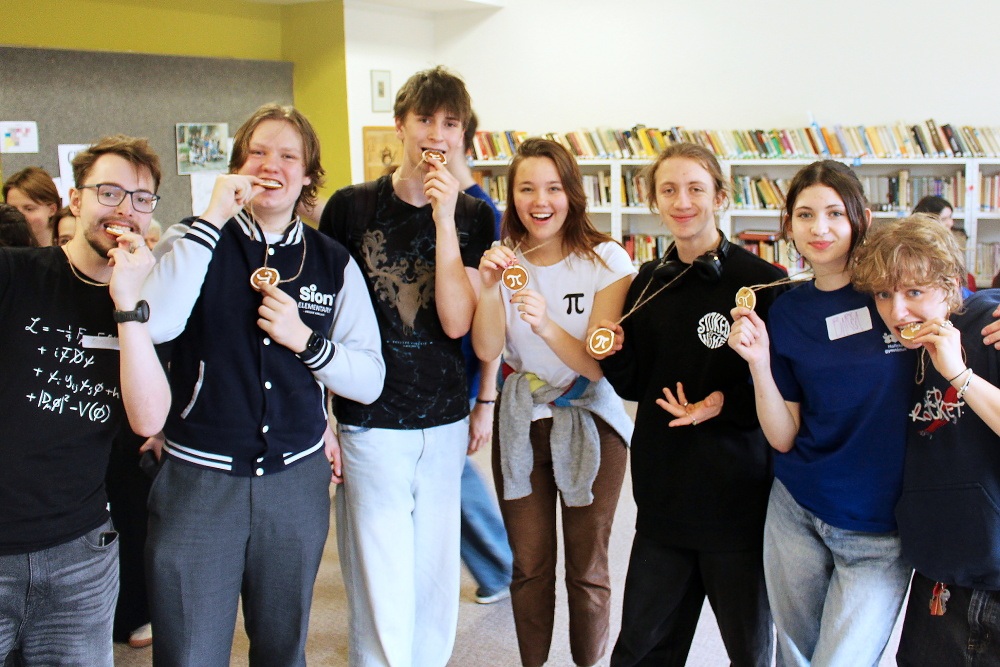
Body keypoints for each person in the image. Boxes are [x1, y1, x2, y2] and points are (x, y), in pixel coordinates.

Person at [140, 103, 385, 666]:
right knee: (189, 652)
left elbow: (369, 380)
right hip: (198, 480)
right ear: (237, 165)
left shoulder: (332, 262)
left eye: (288, 156)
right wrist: (212, 218)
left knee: (282, 649)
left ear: (308, 175)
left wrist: (308, 342)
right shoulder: (193, 237)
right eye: (258, 152)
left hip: (295, 483)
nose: (272, 165)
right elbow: (156, 324)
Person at [318, 66, 495, 666]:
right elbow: (326, 319)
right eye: (424, 120)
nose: (436, 135)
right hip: (369, 416)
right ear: (400, 125)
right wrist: (324, 420)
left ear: (463, 135)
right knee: (379, 574)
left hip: (444, 417)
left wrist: (444, 220)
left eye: (450, 123)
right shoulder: (351, 207)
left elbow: (457, 322)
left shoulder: (474, 216)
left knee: (434, 574)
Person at [599, 142, 783, 667]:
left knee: (749, 651)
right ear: (653, 201)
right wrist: (614, 353)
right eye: (669, 190)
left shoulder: (763, 282)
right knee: (640, 649)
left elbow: (782, 387)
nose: (682, 202)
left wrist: (721, 401)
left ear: (720, 196)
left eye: (696, 188)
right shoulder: (646, 283)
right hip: (665, 494)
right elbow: (636, 385)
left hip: (736, 498)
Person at [727, 160, 914, 666]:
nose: (820, 228)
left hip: (880, 529)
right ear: (788, 225)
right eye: (805, 215)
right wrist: (759, 364)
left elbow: (960, 308)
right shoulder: (786, 310)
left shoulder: (897, 294)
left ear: (862, 219)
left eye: (835, 213)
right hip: (797, 509)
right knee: (795, 657)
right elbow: (782, 436)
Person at [0, 135, 169, 666]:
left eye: (141, 198)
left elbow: (148, 418)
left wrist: (128, 303)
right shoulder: (15, 273)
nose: (125, 209)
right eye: (109, 192)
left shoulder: (147, 299)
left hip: (81, 554)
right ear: (75, 200)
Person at [473, 138, 635, 667]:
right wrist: (488, 287)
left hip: (591, 421)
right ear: (511, 196)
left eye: (553, 188)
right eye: (526, 189)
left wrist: (544, 324)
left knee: (587, 568)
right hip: (521, 421)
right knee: (529, 566)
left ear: (573, 194)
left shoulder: (607, 259)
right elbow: (488, 349)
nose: (540, 201)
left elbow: (597, 365)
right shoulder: (505, 260)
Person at [851, 214, 1000, 665]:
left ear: (951, 285)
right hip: (937, 571)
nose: (898, 313)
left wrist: (959, 373)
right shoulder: (894, 347)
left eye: (914, 292)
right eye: (884, 294)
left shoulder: (988, 324)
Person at [449, 111, 513, 605]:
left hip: (463, 370)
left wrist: (485, 399)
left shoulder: (479, 210)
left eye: (449, 128)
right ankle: (498, 565)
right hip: (431, 372)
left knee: (454, 474)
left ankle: (499, 565)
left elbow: (496, 308)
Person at [912, 195, 977, 293]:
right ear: (929, 221)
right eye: (944, 219)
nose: (950, 223)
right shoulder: (915, 243)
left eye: (950, 217)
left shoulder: (956, 239)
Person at [2, 166, 61, 247]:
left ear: (52, 210)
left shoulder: (70, 250)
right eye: (13, 210)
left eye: (29, 209)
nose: (19, 216)